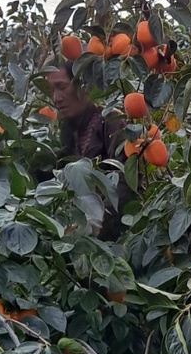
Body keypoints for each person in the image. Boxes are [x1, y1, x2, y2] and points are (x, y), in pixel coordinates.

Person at [46, 63, 130, 237]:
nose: (56, 98)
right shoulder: (71, 131)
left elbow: (128, 179)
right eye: (52, 90)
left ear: (83, 85)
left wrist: (97, 220)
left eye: (62, 87)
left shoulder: (111, 121)